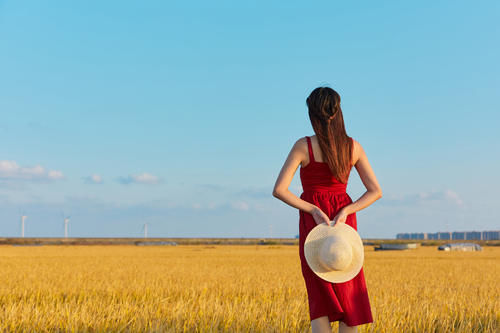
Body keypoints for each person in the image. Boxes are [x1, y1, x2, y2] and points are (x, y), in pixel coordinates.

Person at [272, 86, 382, 333]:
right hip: (343, 222)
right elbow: (376, 190)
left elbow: (279, 189)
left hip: (315, 224)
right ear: (338, 113)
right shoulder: (353, 147)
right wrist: (346, 210)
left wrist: (312, 209)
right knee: (348, 289)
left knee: (318, 294)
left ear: (312, 115)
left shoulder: (303, 146)